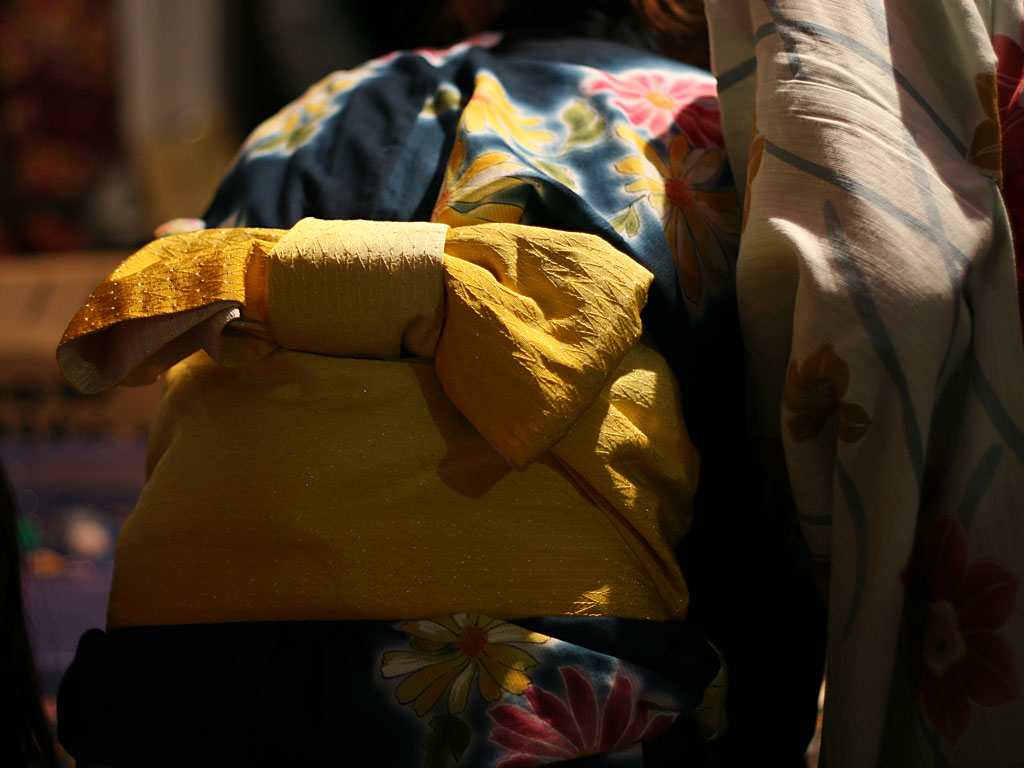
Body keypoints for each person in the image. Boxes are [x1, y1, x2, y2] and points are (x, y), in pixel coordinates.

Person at [56, 1, 828, 765]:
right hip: (568, 700)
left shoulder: (303, 117)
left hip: (188, 698)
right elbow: (767, 496)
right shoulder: (706, 130)